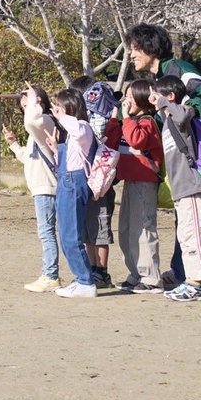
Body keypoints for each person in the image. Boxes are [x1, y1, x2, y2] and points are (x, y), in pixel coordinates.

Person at [126, 23, 201, 297]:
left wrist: (186, 112)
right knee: (187, 211)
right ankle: (181, 271)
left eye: (134, 49)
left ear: (150, 47)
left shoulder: (180, 69)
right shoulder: (157, 81)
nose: (131, 55)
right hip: (192, 154)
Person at [150, 76, 201, 301]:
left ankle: (197, 285)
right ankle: (189, 281)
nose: (154, 100)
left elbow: (183, 112)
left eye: (158, 95)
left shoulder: (180, 115)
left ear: (170, 97)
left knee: (195, 235)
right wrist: (160, 104)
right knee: (185, 236)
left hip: (192, 185)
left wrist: (163, 102)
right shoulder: (168, 122)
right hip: (180, 188)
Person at [2, 85, 60, 292]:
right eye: (23, 107)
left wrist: (33, 97)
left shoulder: (43, 122)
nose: (25, 110)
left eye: (29, 105)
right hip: (43, 187)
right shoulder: (36, 128)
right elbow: (30, 158)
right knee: (53, 233)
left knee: (47, 233)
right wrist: (14, 144)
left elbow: (32, 120)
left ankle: (51, 275)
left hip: (48, 187)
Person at [71, 76, 121, 288]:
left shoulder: (108, 123)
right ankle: (91, 269)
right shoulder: (82, 124)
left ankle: (102, 271)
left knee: (99, 230)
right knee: (86, 231)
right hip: (86, 183)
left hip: (101, 185)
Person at [115, 79, 164, 293]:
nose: (126, 101)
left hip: (145, 182)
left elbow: (136, 141)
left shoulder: (146, 122)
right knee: (127, 230)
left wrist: (126, 118)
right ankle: (135, 273)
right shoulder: (129, 121)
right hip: (130, 181)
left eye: (131, 96)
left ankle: (151, 277)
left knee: (143, 229)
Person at [50, 88, 97, 298]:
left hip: (74, 183)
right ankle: (81, 279)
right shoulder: (71, 132)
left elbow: (78, 132)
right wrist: (55, 148)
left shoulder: (83, 127)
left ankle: (86, 281)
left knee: (71, 236)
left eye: (60, 106)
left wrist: (62, 117)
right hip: (66, 182)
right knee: (66, 234)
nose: (56, 110)